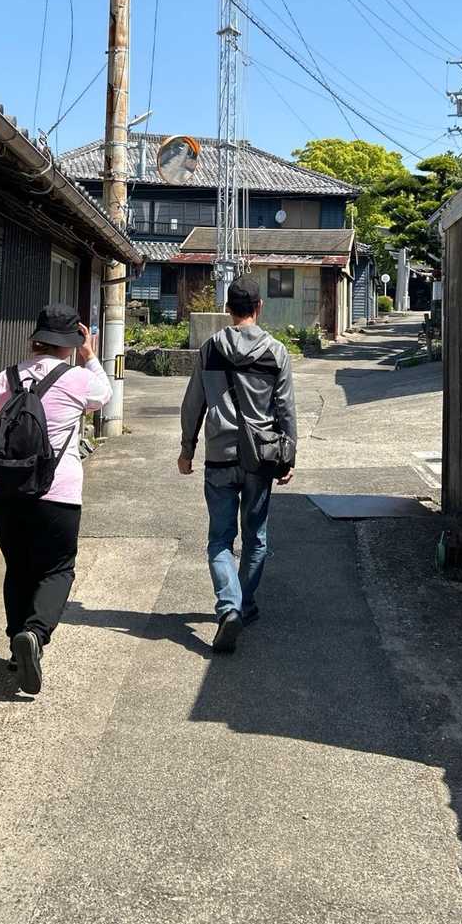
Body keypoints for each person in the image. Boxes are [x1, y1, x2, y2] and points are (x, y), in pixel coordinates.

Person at [0, 303, 111, 694]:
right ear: (69, 342)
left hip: (5, 492)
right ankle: (35, 634)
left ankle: (16, 644)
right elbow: (105, 395)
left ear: (36, 338)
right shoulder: (78, 379)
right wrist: (90, 354)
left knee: (18, 567)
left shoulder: (6, 378)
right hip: (57, 493)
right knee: (58, 568)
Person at [178, 275, 297, 654]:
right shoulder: (276, 351)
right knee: (256, 538)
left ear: (228, 309)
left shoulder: (210, 348)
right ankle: (242, 605)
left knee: (220, 539)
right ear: (259, 307)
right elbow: (285, 409)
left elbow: (193, 403)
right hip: (260, 457)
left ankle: (230, 606)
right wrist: (288, 456)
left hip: (219, 455)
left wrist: (187, 448)